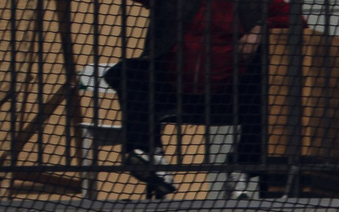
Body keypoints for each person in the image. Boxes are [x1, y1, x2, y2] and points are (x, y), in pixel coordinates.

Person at [105, 0, 291, 199]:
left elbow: (295, 18)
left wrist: (260, 29)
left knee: (268, 91)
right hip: (173, 89)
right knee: (127, 73)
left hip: (228, 93)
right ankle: (150, 156)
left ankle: (241, 167)